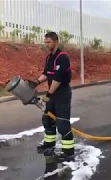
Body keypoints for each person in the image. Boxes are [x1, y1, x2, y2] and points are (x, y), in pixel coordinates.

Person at [26, 31, 75, 161]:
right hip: (53, 93)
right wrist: (36, 82)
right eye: (45, 42)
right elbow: (47, 73)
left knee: (62, 123)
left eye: (49, 42)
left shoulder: (62, 57)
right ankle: (49, 144)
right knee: (47, 119)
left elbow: (57, 79)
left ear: (56, 41)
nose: (46, 45)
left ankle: (68, 151)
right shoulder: (49, 58)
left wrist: (48, 95)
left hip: (62, 94)